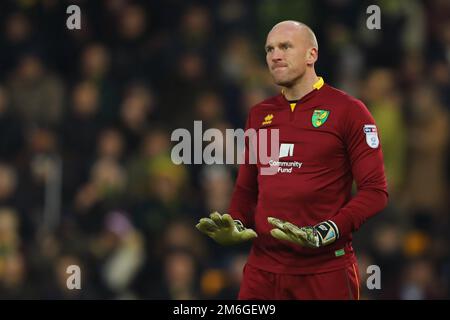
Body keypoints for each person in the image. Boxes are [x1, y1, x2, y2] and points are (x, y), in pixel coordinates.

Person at [196, 20, 388, 300]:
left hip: (324, 270)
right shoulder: (259, 114)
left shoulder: (349, 111)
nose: (275, 55)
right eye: (269, 49)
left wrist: (328, 230)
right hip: (263, 270)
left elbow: (376, 192)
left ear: (312, 54)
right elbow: (248, 188)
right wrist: (236, 223)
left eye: (285, 46)